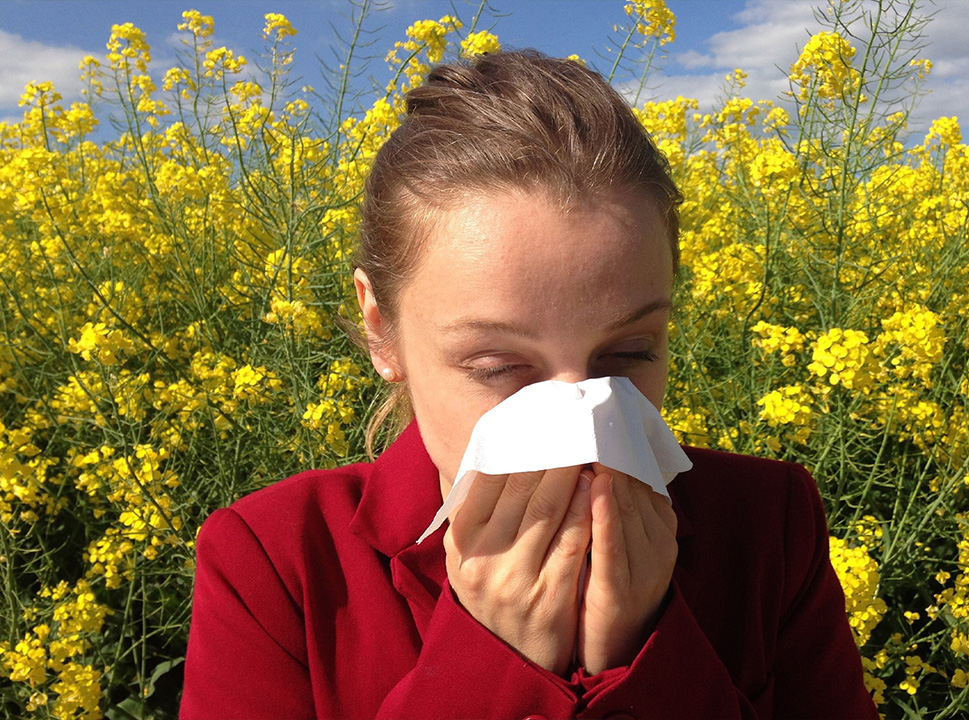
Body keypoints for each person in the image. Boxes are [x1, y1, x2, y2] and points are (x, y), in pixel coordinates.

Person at [180, 50, 878, 719]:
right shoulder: (277, 563)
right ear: (380, 330)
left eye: (630, 353)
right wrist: (491, 662)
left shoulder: (765, 527)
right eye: (498, 367)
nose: (580, 424)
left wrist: (641, 658)